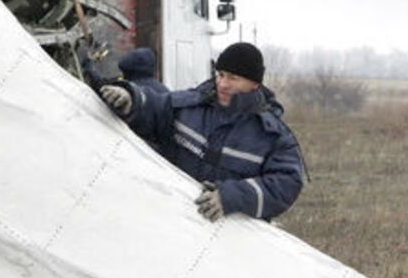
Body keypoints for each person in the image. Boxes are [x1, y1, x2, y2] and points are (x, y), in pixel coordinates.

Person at [99, 41, 304, 221]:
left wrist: (231, 197)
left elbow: (286, 184)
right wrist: (130, 98)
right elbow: (155, 108)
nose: (222, 84)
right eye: (220, 75)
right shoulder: (188, 106)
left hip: (222, 243)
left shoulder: (273, 137)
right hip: (165, 220)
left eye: (233, 78)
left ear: (254, 84)